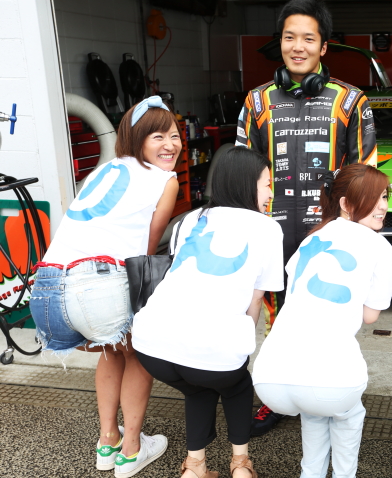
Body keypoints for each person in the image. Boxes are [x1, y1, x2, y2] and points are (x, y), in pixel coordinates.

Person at [235, 0, 378, 435]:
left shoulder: (351, 101)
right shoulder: (257, 101)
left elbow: (365, 175)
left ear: (323, 46)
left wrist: (359, 234)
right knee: (276, 320)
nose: (298, 47)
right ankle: (276, 397)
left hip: (329, 236)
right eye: (289, 37)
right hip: (271, 233)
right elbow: (242, 172)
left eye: (308, 39)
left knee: (330, 319)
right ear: (279, 43)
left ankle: (327, 389)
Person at [29, 96, 179, 477]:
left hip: (46, 290)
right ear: (137, 139)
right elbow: (145, 254)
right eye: (158, 137)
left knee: (113, 351)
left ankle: (108, 440)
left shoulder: (103, 171)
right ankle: (131, 450)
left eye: (175, 136)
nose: (171, 145)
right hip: (98, 288)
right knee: (139, 353)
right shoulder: (165, 180)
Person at [132, 148, 283, 478]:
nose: (271, 193)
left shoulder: (191, 219)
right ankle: (241, 465)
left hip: (148, 344)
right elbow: (256, 299)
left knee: (198, 384)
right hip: (207, 349)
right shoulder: (268, 228)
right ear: (247, 184)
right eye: (267, 184)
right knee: (235, 382)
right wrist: (238, 345)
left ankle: (195, 466)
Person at [251, 164, 392, 478]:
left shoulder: (309, 240)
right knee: (346, 411)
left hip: (269, 377)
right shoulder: (379, 245)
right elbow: (370, 316)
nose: (383, 205)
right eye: (374, 198)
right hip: (331, 383)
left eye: (385, 197)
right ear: (345, 203)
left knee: (315, 411)